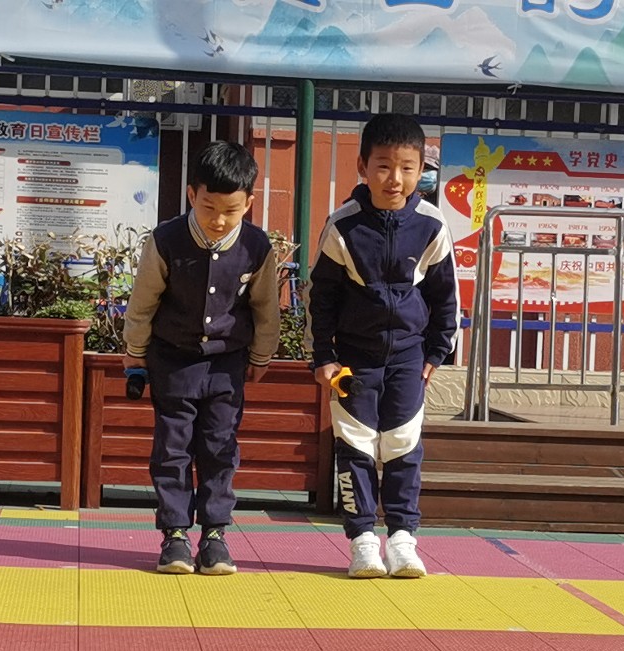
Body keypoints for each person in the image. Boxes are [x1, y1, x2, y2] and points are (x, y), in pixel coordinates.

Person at [308, 114, 459, 578]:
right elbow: (321, 297)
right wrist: (324, 357)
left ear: (421, 170)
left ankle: (403, 540)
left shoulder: (432, 225)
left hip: (410, 359)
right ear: (362, 166)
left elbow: (445, 295)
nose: (395, 178)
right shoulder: (342, 226)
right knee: (354, 446)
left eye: (407, 168)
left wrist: (436, 352)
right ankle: (362, 542)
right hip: (354, 361)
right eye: (384, 166)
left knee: (403, 445)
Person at [122, 140, 280, 575]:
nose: (218, 220)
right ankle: (174, 535)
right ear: (192, 194)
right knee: (172, 448)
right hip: (173, 360)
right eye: (209, 207)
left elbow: (266, 307)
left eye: (231, 210)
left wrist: (262, 355)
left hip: (227, 364)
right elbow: (143, 302)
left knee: (219, 447)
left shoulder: (256, 246)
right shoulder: (166, 239)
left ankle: (214, 535)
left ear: (249, 203)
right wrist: (135, 354)